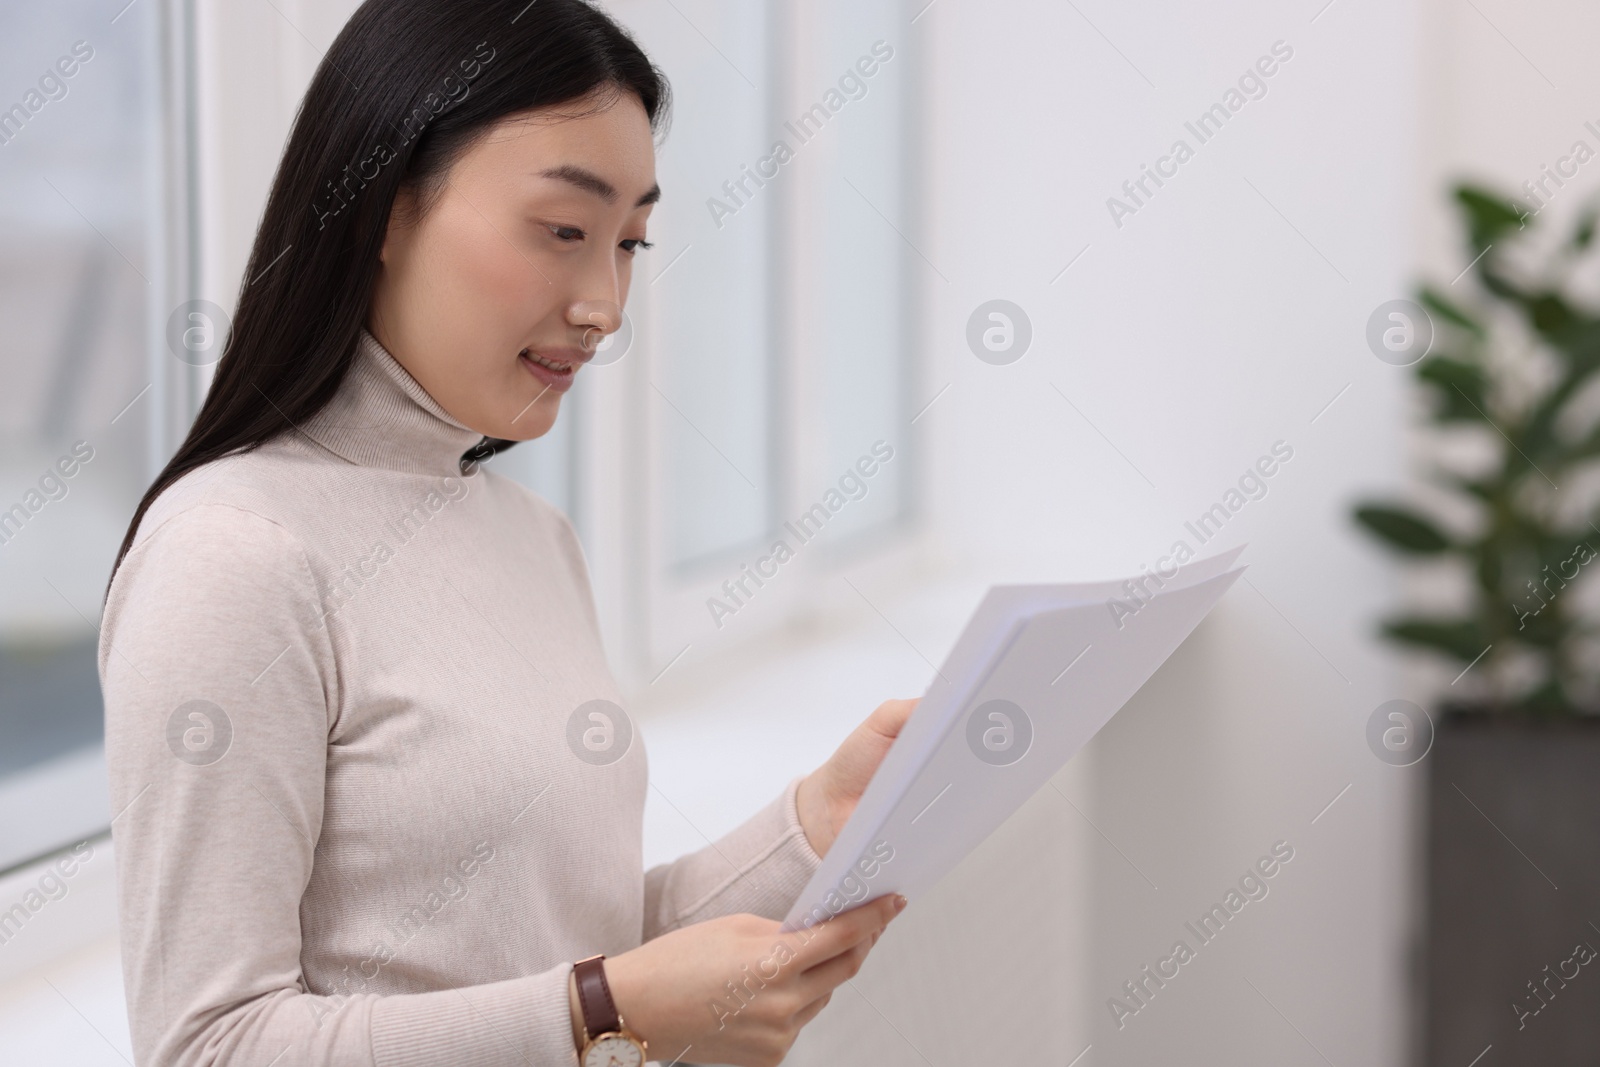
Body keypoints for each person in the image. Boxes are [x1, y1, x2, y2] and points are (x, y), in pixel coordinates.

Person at [99, 2, 910, 1063]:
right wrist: (596, 1011)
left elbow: (578, 953)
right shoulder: (233, 553)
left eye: (628, 243)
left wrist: (813, 825)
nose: (604, 304)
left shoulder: (531, 535)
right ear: (382, 209)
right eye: (565, 232)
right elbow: (211, 1045)